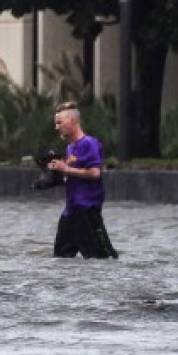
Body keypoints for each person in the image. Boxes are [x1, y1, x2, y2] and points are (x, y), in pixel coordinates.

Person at [47, 101, 118, 258]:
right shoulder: (70, 147)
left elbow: (94, 173)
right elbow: (71, 174)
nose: (56, 127)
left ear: (73, 121)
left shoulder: (89, 143)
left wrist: (66, 168)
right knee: (61, 257)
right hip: (70, 212)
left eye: (59, 122)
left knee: (103, 258)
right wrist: (54, 175)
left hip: (87, 211)